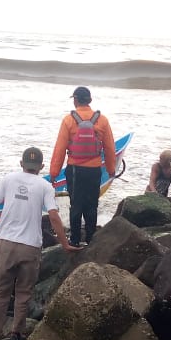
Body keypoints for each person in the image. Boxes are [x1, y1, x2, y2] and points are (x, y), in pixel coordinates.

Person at [0, 146, 80, 340]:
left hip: (6, 243)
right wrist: (65, 243)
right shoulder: (45, 186)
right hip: (30, 246)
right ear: (41, 166)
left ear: (21, 164)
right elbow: (53, 216)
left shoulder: (8, 179)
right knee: (23, 292)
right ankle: (16, 333)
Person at [49, 86, 116, 246]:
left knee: (76, 204)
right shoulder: (102, 120)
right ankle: (91, 239)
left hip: (74, 170)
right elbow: (109, 147)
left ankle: (74, 240)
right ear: (90, 101)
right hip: (94, 170)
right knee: (92, 204)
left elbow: (60, 148)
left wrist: (53, 173)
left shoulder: (68, 120)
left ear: (76, 100)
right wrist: (111, 169)